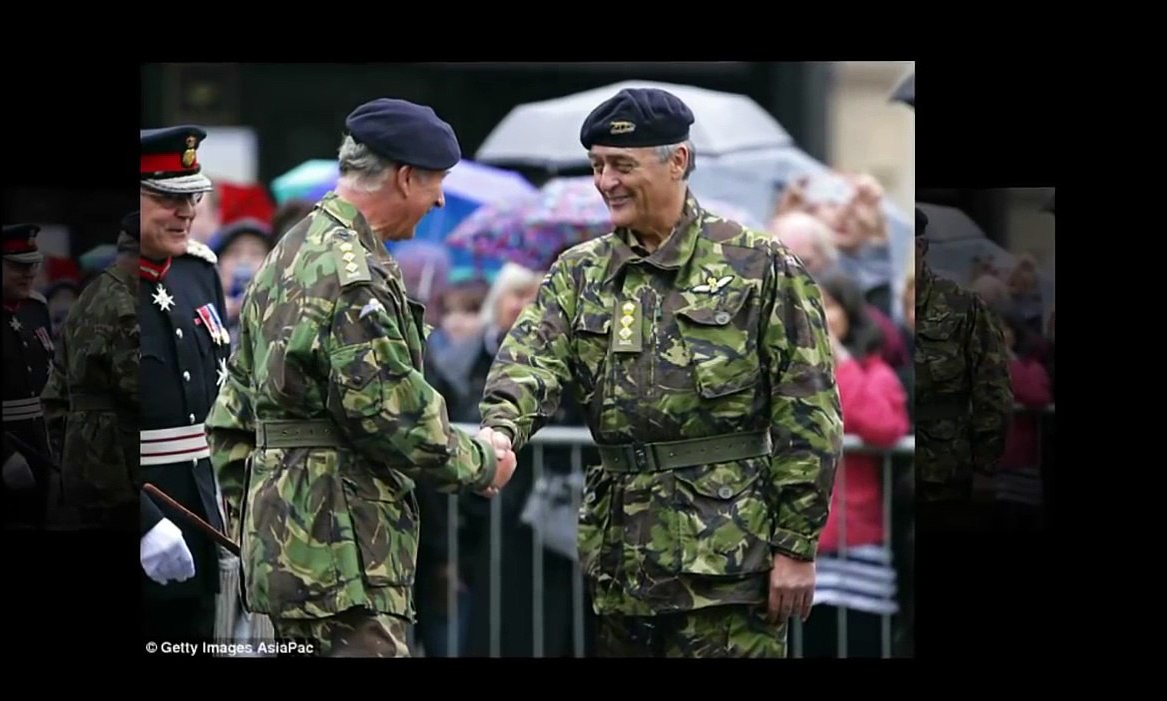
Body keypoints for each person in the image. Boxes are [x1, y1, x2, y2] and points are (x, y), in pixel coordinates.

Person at [478, 87, 844, 658]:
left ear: (678, 161)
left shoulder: (757, 264)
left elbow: (808, 408)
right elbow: (530, 359)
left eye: (623, 165)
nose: (606, 182)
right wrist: (502, 428)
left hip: (727, 558)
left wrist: (796, 546)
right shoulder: (580, 273)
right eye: (597, 166)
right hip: (621, 558)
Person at [206, 98, 515, 658]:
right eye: (435, 183)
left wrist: (258, 522)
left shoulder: (289, 250)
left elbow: (232, 412)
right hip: (344, 552)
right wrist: (483, 460)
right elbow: (389, 414)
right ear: (403, 177)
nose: (440, 199)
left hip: (285, 549)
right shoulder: (356, 276)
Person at [136, 126, 232, 642]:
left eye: (192, 196)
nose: (187, 211)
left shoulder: (197, 272)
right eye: (168, 198)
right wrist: (144, 521)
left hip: (199, 513)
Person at [41, 212, 142, 534]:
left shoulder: (90, 293)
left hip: (84, 458)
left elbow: (55, 392)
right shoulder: (124, 303)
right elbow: (138, 388)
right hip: (116, 465)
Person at [912, 207, 1012, 521]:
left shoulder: (961, 305)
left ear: (920, 247)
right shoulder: (878, 302)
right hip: (889, 467)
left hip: (946, 467)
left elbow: (992, 385)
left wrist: (986, 466)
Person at [2, 223, 57, 530]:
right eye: (17, 267)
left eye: (33, 265)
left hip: (38, 441)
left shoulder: (36, 308)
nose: (29, 274)